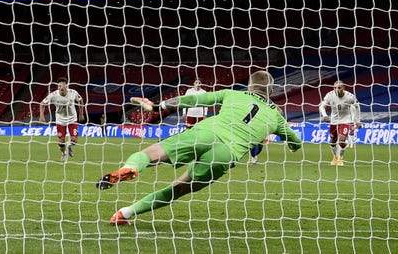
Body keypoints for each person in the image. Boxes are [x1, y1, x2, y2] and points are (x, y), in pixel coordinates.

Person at [96, 70, 303, 225]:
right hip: (226, 154)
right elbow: (296, 143)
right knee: (178, 188)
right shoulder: (277, 116)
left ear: (250, 86)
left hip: (206, 132)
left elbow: (194, 99)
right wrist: (279, 138)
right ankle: (125, 213)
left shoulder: (232, 93)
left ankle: (131, 168)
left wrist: (160, 106)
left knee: (149, 155)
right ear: (271, 90)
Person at [39, 77, 85, 161]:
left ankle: (69, 146)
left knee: (74, 140)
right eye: (59, 86)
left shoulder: (73, 93)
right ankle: (63, 153)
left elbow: (81, 101)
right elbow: (42, 104)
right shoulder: (53, 95)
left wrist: (81, 114)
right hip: (60, 120)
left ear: (66, 86)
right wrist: (41, 116)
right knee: (61, 142)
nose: (60, 88)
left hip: (72, 119)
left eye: (62, 86)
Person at [318, 80, 362, 166]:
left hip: (346, 120)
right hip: (334, 121)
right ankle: (335, 156)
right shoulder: (330, 95)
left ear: (343, 88)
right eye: (334, 87)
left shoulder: (350, 96)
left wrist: (358, 121)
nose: (336, 89)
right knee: (333, 141)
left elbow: (357, 107)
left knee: (342, 140)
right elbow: (322, 106)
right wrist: (324, 115)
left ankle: (340, 158)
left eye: (339, 87)